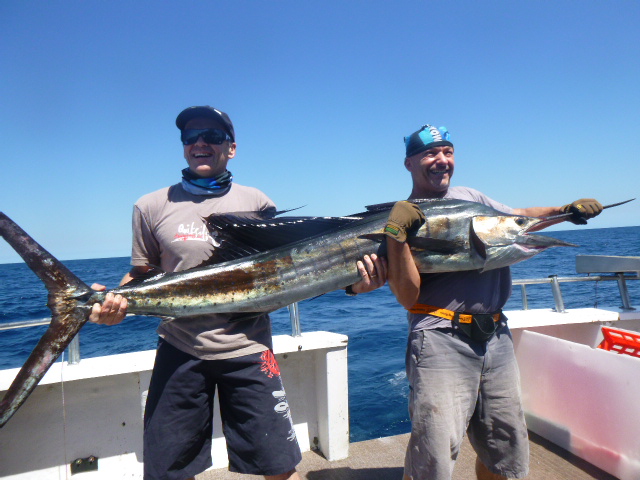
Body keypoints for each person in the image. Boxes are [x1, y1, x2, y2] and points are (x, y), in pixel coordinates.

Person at [88, 105, 386, 480]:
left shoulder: (258, 203)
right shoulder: (150, 206)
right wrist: (113, 302)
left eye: (212, 136)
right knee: (167, 472)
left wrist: (355, 285)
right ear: (182, 146)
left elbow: (292, 271)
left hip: (250, 350)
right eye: (190, 136)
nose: (200, 143)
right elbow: (140, 275)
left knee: (280, 467)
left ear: (231, 148)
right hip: (180, 351)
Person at [384, 124, 603, 480]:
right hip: (440, 337)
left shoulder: (471, 197)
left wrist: (566, 211)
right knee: (434, 458)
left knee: (505, 448)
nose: (442, 160)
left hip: (496, 337)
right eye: (430, 153)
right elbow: (408, 298)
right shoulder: (402, 216)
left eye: (448, 152)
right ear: (409, 163)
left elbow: (518, 217)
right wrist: (396, 237)